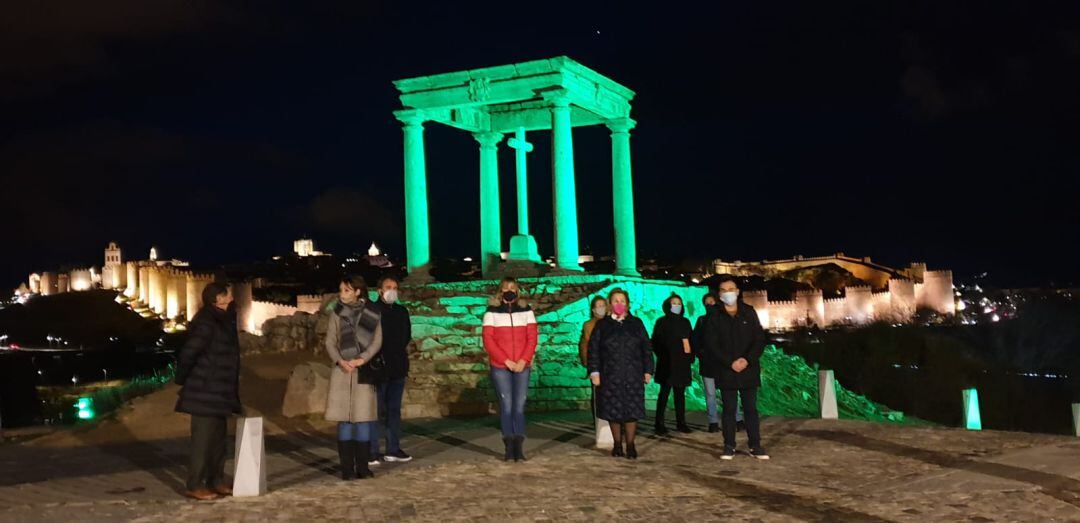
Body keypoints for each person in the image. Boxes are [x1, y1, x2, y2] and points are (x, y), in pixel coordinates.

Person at [175, 282, 242, 501]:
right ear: (218, 299)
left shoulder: (225, 320)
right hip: (204, 389)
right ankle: (194, 485)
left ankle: (216, 481)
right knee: (202, 442)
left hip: (220, 390)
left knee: (218, 441)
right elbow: (189, 353)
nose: (231, 296)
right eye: (227, 293)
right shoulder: (206, 322)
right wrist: (184, 379)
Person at [698, 276, 769, 460]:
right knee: (729, 409)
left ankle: (755, 446)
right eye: (724, 290)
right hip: (726, 370)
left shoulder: (749, 312)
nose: (728, 293)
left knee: (750, 409)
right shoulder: (714, 315)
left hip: (748, 368)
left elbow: (759, 339)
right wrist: (730, 362)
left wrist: (747, 360)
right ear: (720, 294)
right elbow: (711, 344)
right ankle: (729, 445)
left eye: (731, 289)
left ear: (737, 291)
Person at [325, 275, 384, 480]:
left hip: (363, 371)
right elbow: (330, 341)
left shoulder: (371, 313)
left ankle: (363, 467)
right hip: (342, 372)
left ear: (358, 291)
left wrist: (361, 359)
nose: (342, 294)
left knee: (363, 420)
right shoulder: (336, 313)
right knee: (345, 421)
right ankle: (347, 468)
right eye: (341, 290)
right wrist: (340, 361)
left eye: (347, 290)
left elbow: (377, 341)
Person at [588, 288, 654, 459]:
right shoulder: (602, 325)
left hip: (633, 374)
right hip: (610, 374)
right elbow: (593, 349)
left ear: (628, 304)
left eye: (622, 301)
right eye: (616, 301)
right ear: (610, 304)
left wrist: (648, 369)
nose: (619, 304)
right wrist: (594, 371)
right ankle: (617, 445)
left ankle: (631, 445)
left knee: (632, 410)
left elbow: (646, 347)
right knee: (613, 411)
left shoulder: (636, 323)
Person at [482, 277, 538, 462]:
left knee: (519, 407)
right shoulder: (491, 312)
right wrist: (506, 361)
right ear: (500, 291)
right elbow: (488, 341)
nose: (509, 290)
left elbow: (532, 337)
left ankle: (519, 447)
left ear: (518, 290)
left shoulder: (527, 311)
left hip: (522, 365)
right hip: (501, 366)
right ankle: (508, 447)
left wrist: (524, 359)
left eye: (513, 287)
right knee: (506, 406)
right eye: (506, 287)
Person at [370, 275, 413, 465]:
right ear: (380, 290)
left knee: (394, 411)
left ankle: (392, 448)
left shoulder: (402, 311)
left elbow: (406, 336)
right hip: (378, 367)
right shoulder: (372, 311)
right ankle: (372, 450)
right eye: (388, 287)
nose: (392, 290)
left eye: (395, 287)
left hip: (397, 366)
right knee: (376, 410)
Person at [652, 293, 694, 436]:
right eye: (674, 303)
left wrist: (690, 357)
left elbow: (691, 340)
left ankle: (681, 423)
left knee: (680, 394)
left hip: (682, 363)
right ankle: (659, 423)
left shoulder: (685, 322)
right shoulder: (662, 322)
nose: (677, 305)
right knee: (664, 394)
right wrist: (665, 354)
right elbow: (656, 342)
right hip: (667, 363)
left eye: (679, 303)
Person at [578, 296, 612, 448]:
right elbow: (585, 345)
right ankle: (599, 423)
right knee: (597, 396)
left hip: (611, 365)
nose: (600, 308)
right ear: (593, 309)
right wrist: (588, 363)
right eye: (597, 306)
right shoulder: (588, 325)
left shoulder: (612, 322)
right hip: (597, 364)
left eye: (603, 305)